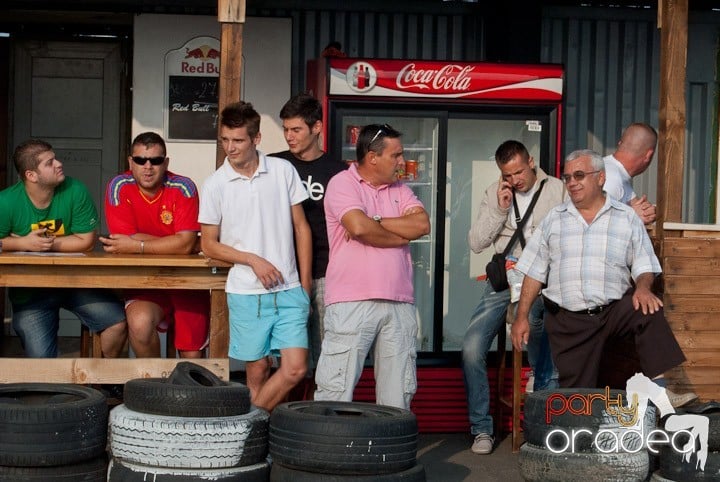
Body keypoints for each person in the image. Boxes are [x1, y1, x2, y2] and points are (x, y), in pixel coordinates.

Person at [511, 149, 693, 406]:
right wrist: (521, 317)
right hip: (568, 322)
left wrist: (643, 287)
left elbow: (644, 263)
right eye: (567, 177)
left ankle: (661, 390)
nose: (572, 182)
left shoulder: (627, 217)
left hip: (611, 314)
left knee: (647, 308)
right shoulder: (555, 218)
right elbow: (534, 270)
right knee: (577, 406)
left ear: (600, 178)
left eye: (579, 175)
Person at [198, 101, 312, 412]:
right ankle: (259, 441)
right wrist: (252, 259)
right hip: (247, 292)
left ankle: (244, 427)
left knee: (295, 369)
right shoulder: (215, 185)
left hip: (289, 289)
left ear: (256, 139)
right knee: (258, 370)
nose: (229, 148)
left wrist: (304, 284)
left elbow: (301, 228)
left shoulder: (282, 170)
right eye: (224, 139)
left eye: (237, 140)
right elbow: (209, 245)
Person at [314, 123, 430, 410]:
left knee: (398, 395)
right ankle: (330, 453)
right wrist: (398, 235)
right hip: (351, 300)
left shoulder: (401, 189)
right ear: (373, 157)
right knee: (335, 389)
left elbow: (421, 225)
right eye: (396, 156)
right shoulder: (343, 183)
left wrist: (375, 221)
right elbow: (357, 226)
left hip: (399, 301)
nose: (402, 162)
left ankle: (390, 455)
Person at [462, 140, 567, 455]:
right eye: (508, 175)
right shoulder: (496, 195)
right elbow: (477, 243)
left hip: (541, 280)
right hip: (504, 279)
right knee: (470, 349)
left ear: (531, 161)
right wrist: (499, 208)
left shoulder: (558, 190)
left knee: (534, 319)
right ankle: (482, 429)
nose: (516, 179)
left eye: (519, 171)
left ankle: (539, 378)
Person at [0, 139, 127, 357]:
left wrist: (39, 245)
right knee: (43, 367)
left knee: (116, 322)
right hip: (30, 293)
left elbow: (86, 241)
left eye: (55, 158)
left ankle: (102, 382)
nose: (59, 163)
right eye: (49, 163)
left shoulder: (75, 189)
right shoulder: (6, 201)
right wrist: (23, 243)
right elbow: (77, 240)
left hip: (75, 282)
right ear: (31, 175)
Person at [100, 132, 209, 359]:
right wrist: (178, 242)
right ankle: (155, 388)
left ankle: (188, 392)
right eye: (140, 160)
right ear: (130, 162)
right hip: (144, 281)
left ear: (166, 163)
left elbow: (184, 244)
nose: (147, 167)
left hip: (188, 282)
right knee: (139, 324)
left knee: (192, 358)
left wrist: (138, 245)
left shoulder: (184, 187)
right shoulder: (118, 186)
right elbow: (124, 240)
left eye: (156, 160)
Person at [270, 93, 347, 374]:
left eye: (296, 129)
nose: (289, 137)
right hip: (283, 274)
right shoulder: (273, 165)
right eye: (286, 130)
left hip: (328, 272)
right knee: (288, 361)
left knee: (329, 354)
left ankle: (322, 412)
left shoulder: (338, 172)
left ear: (316, 128)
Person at [603, 122, 658, 224]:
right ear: (648, 155)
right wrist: (631, 216)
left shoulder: (618, 175)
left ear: (620, 143)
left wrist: (650, 211)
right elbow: (595, 221)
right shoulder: (612, 179)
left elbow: (639, 207)